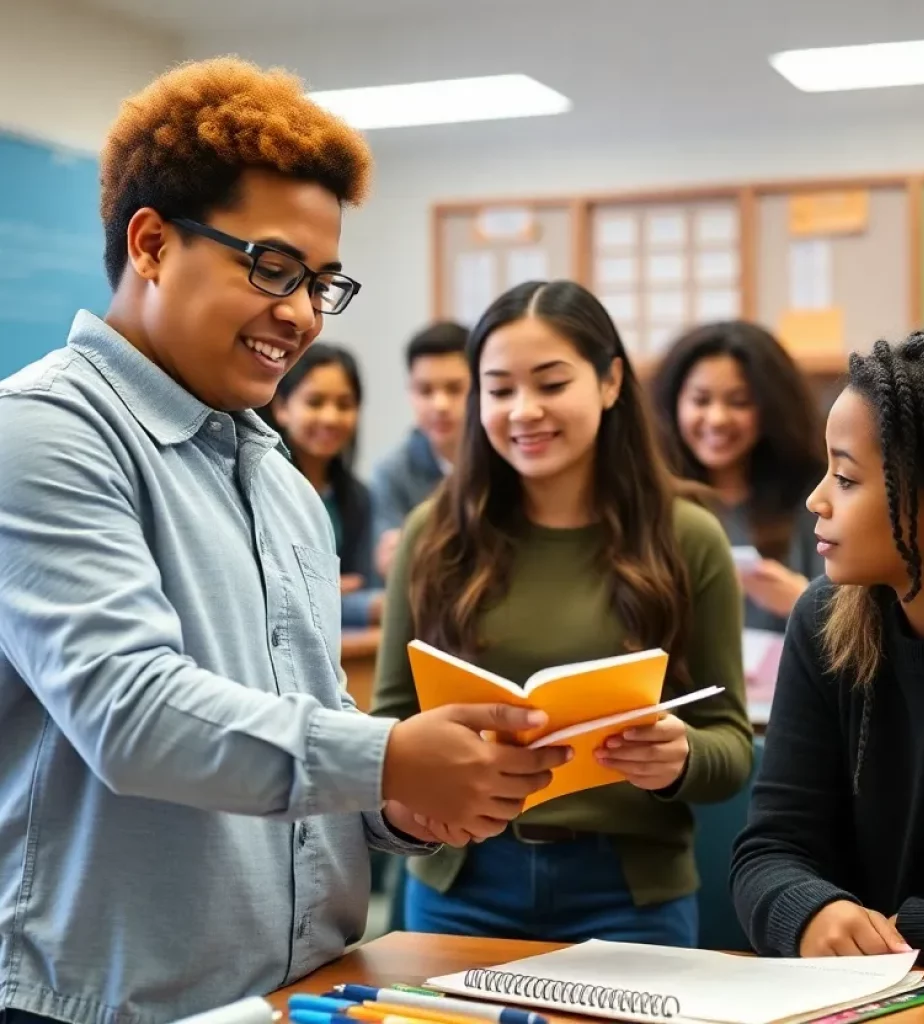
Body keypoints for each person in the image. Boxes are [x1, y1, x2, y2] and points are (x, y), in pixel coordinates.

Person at [0, 58, 568, 1024]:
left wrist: (398, 809)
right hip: (111, 1003)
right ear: (150, 244)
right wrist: (388, 757)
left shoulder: (279, 478)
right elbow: (133, 714)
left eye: (322, 282)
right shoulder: (42, 433)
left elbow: (298, 729)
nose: (301, 314)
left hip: (305, 990)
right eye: (271, 267)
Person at [373, 279, 753, 946]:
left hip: (630, 897)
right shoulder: (432, 535)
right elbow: (389, 725)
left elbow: (730, 745)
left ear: (609, 383)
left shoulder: (688, 537)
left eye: (551, 384)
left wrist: (678, 756)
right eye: (498, 389)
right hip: (460, 883)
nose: (524, 411)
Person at [730, 323, 924, 984]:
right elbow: (770, 850)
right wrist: (812, 913)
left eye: (845, 476)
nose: (817, 499)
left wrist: (903, 928)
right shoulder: (824, 621)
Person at [649, 321, 825, 633]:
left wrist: (802, 600)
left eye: (739, 402)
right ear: (673, 403)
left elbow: (857, 623)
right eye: (701, 400)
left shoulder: (814, 500)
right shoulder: (652, 499)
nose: (717, 419)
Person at [269, 342, 382, 626]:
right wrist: (330, 591)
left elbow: (360, 583)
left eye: (344, 404)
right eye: (315, 402)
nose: (330, 418)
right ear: (282, 407)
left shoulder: (358, 497)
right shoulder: (260, 489)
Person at [371, 321, 470, 577]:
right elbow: (394, 566)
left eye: (455, 389)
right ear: (410, 393)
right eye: (425, 391)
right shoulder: (391, 473)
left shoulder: (508, 459)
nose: (440, 404)